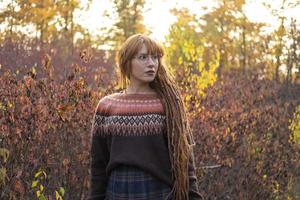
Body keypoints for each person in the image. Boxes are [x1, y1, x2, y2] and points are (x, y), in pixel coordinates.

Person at [89, 34, 203, 200]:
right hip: (117, 193)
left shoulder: (169, 104)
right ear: (127, 62)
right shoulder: (107, 106)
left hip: (160, 193)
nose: (151, 64)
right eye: (143, 57)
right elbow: (98, 165)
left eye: (155, 58)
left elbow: (185, 160)